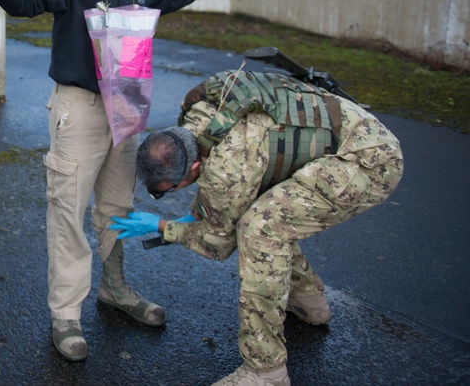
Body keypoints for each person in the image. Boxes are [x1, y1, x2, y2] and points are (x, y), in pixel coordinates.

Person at [0, 0, 248, 361]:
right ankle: (66, 315)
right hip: (79, 107)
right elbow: (25, 1)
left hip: (126, 105)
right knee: (68, 213)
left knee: (116, 206)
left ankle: (116, 288)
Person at [110, 68, 404, 386]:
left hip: (367, 161)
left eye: (170, 188)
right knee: (272, 210)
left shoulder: (228, 168)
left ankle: (266, 371)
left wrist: (164, 226)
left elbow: (217, 243)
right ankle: (308, 301)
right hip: (346, 130)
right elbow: (224, 185)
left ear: (194, 166)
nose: (168, 193)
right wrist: (199, 214)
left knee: (261, 229)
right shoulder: (195, 111)